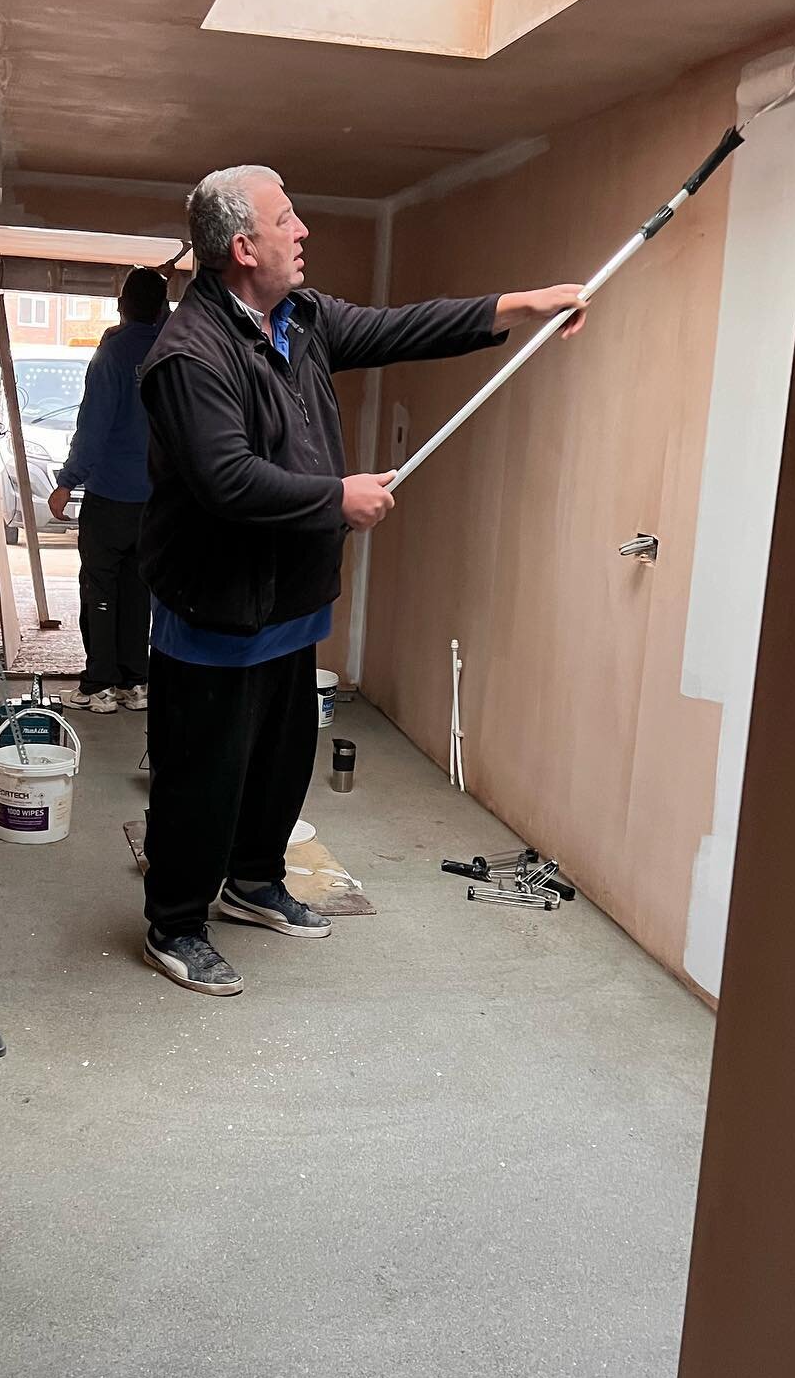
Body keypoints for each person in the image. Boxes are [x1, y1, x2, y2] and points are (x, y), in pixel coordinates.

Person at [136, 164, 588, 996]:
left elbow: (398, 329)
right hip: (216, 608)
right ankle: (175, 922)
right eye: (287, 219)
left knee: (279, 759)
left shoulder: (298, 319)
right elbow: (225, 480)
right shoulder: (187, 356)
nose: (303, 232)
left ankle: (254, 879)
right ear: (243, 247)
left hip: (292, 601)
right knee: (203, 773)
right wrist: (334, 498)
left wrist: (521, 307)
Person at [48, 265, 169, 714]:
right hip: (157, 500)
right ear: (161, 307)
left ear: (122, 306)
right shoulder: (175, 348)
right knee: (139, 591)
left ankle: (99, 686)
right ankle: (135, 683)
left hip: (112, 497)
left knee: (100, 587)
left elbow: (93, 428)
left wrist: (67, 480)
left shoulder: (112, 356)